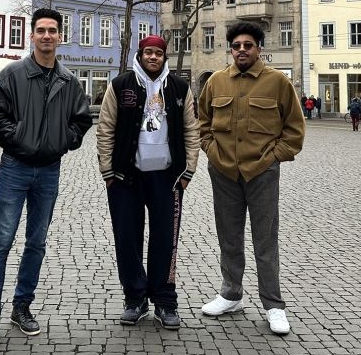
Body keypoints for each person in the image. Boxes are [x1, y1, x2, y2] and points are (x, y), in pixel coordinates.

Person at [0, 8, 93, 348]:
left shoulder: (69, 81)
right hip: (14, 167)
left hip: (49, 170)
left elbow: (82, 121)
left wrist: (62, 140)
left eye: (52, 31)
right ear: (31, 35)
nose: (46, 36)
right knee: (0, 242)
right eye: (40, 30)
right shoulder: (12, 74)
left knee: (37, 243)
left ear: (60, 36)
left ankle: (22, 306)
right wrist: (19, 138)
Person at [198, 21, 305, 335]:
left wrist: (272, 157)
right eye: (236, 46)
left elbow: (294, 131)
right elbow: (203, 123)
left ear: (259, 48)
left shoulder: (278, 83)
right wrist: (212, 152)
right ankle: (231, 295)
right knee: (229, 238)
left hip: (262, 173)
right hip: (224, 172)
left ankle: (273, 305)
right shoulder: (216, 82)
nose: (241, 50)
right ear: (230, 50)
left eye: (248, 45)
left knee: (265, 241)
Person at [96, 35, 200, 330]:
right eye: (148, 53)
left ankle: (165, 301)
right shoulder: (120, 85)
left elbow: (192, 129)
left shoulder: (179, 87)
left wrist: (188, 170)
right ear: (140, 55)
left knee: (165, 240)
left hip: (167, 177)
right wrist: (108, 171)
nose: (153, 57)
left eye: (158, 53)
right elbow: (106, 129)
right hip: (126, 176)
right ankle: (135, 298)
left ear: (165, 57)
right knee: (127, 238)